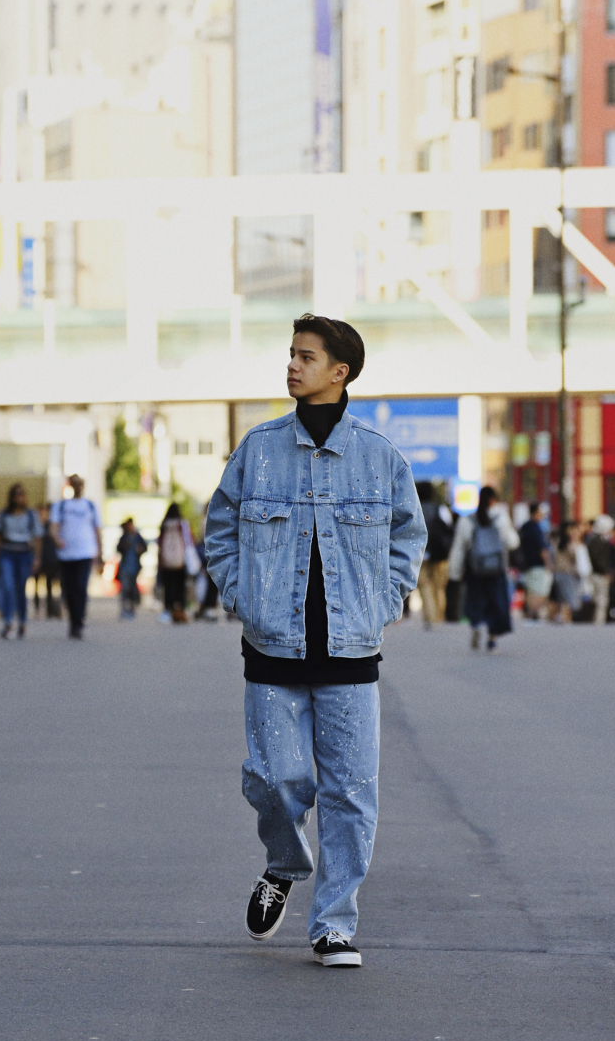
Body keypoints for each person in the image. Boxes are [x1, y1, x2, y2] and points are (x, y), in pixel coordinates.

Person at [203, 314, 424, 970]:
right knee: (276, 779)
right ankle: (282, 861)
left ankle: (332, 924)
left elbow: (407, 541)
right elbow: (219, 532)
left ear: (340, 371)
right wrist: (246, 597)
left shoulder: (380, 457)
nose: (292, 366)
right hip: (272, 651)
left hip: (351, 655)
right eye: (291, 354)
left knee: (352, 795)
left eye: (306, 356)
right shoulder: (260, 449)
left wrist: (382, 604)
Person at [451, 486, 520, 651]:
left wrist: (455, 572)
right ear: (493, 500)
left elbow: (459, 547)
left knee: (475, 599)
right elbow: (512, 542)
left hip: (475, 569)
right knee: (496, 602)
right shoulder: (500, 518)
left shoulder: (467, 520)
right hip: (496, 568)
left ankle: (477, 625)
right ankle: (492, 637)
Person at [50, 475, 102, 640]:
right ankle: (73, 620)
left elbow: (97, 530)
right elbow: (53, 526)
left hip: (85, 552)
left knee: (81, 586)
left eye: (81, 484)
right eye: (75, 484)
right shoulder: (61, 505)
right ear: (70, 486)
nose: (78, 487)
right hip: (66, 554)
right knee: (68, 589)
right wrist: (56, 539)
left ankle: (79, 621)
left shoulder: (90, 506)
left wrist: (100, 552)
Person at [0, 483, 43, 639]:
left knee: (21, 588)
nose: (20, 498)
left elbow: (37, 538)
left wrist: (36, 558)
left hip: (24, 553)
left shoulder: (31, 515)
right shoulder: (3, 515)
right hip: (7, 552)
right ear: (12, 497)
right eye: (17, 495)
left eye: (22, 494)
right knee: (7, 586)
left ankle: (22, 620)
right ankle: (7, 621)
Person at [416, 481, 455, 628]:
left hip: (420, 553)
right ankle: (438, 617)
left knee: (424, 585)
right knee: (439, 587)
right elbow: (449, 529)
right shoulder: (441, 509)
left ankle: (430, 617)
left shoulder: (415, 508)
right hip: (439, 554)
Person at [156, 502, 193, 624]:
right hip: (179, 560)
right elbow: (188, 541)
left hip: (166, 561)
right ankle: (180, 610)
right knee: (180, 586)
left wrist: (160, 558)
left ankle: (168, 609)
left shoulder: (164, 524)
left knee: (168, 587)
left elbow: (160, 542)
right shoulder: (182, 524)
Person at [517, 502, 553, 621]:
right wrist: (549, 564)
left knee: (531, 590)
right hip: (537, 565)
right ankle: (532, 614)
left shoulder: (524, 527)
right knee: (539, 592)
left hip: (526, 564)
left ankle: (529, 613)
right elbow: (542, 549)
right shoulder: (536, 529)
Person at [585, 516, 615, 625]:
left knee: (599, 600)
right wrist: (605, 571)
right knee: (600, 600)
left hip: (597, 573)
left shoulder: (594, 540)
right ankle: (598, 622)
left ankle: (599, 621)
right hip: (598, 574)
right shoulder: (597, 541)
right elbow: (598, 559)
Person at [115, 517, 147, 619]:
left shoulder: (138, 537)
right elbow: (118, 548)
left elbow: (145, 548)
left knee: (132, 589)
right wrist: (124, 546)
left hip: (135, 567)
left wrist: (140, 549)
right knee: (125, 589)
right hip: (125, 567)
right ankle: (124, 610)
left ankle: (132, 610)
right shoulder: (124, 537)